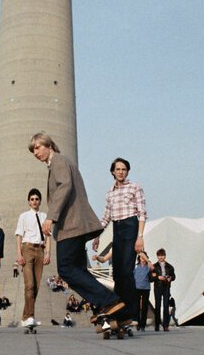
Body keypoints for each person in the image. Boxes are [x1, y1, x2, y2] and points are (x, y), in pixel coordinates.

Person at [29, 132, 130, 332]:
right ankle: (118, 313)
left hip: (71, 225)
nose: (35, 152)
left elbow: (64, 186)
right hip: (74, 224)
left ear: (48, 145)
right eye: (33, 150)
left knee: (66, 269)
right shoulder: (60, 162)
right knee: (79, 271)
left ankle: (109, 300)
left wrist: (51, 216)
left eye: (38, 147)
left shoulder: (58, 160)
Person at [92, 157, 147, 323]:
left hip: (131, 227)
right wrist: (97, 235)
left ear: (127, 171)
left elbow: (142, 213)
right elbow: (106, 217)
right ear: (112, 172)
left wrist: (140, 237)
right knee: (117, 273)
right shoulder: (110, 193)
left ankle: (131, 312)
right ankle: (119, 308)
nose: (121, 172)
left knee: (126, 271)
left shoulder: (135, 188)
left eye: (124, 169)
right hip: (117, 229)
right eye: (118, 169)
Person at [15, 188, 51, 328]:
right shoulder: (23, 216)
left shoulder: (44, 216)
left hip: (40, 250)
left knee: (36, 286)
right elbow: (19, 235)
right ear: (29, 202)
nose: (34, 201)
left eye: (37, 199)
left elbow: (48, 236)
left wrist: (48, 253)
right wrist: (19, 254)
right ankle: (30, 316)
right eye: (32, 199)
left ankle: (25, 317)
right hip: (27, 249)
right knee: (29, 285)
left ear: (40, 201)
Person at [150, 248, 176, 331]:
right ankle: (157, 324)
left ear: (165, 256)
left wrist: (170, 278)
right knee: (157, 306)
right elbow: (150, 277)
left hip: (166, 287)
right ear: (157, 256)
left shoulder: (169, 266)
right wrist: (158, 277)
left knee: (166, 306)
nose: (161, 257)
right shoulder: (154, 266)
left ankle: (166, 325)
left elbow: (174, 276)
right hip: (158, 286)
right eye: (159, 256)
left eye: (162, 255)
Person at [134, 252, 153, 331]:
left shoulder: (148, 267)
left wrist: (148, 261)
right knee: (137, 307)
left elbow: (153, 269)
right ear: (139, 258)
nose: (142, 259)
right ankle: (138, 323)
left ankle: (143, 325)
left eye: (144, 258)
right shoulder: (136, 267)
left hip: (146, 288)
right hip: (137, 288)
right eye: (141, 257)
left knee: (145, 307)